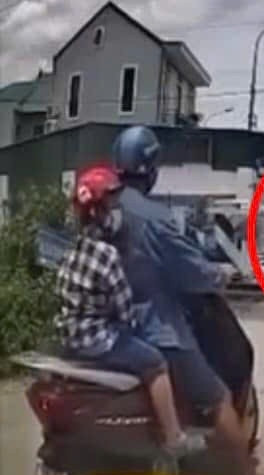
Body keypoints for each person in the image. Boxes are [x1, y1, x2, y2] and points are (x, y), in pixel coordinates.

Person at [108, 126, 256, 469]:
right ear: (151, 168)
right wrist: (220, 275)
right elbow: (193, 271)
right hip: (153, 328)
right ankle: (243, 468)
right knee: (218, 400)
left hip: (106, 327)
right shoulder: (154, 217)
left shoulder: (101, 206)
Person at [54, 165, 205, 457]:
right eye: (112, 203)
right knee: (156, 364)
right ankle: (174, 438)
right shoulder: (108, 255)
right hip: (100, 342)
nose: (117, 209)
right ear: (99, 212)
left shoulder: (71, 252)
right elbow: (125, 312)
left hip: (70, 339)